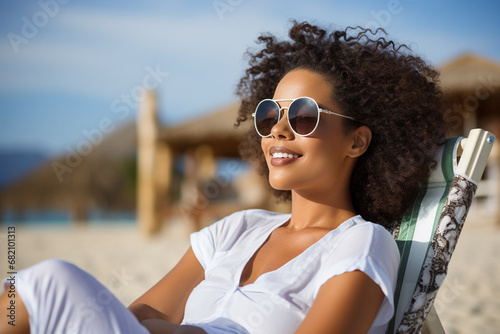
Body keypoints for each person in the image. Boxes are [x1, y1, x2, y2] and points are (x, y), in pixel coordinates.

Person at [1, 21, 446, 334]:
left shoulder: (361, 244)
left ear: (357, 141)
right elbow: (137, 318)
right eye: (270, 113)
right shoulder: (237, 229)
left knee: (47, 282)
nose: (278, 128)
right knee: (29, 288)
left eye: (305, 115)